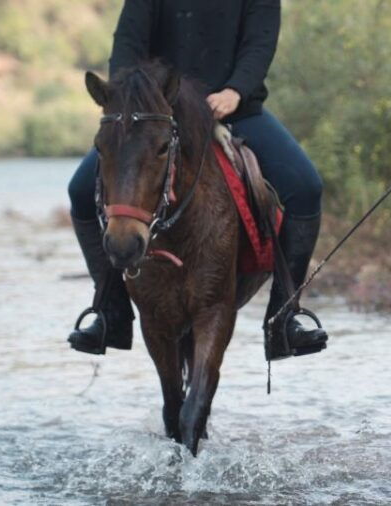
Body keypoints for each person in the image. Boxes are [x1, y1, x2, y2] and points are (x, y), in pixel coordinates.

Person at [66, 0, 328, 361]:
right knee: (80, 191)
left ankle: (284, 319)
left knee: (306, 187)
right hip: (154, 115)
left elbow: (259, 43)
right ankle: (111, 312)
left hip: (231, 108)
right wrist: (134, 97)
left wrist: (236, 90)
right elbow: (128, 43)